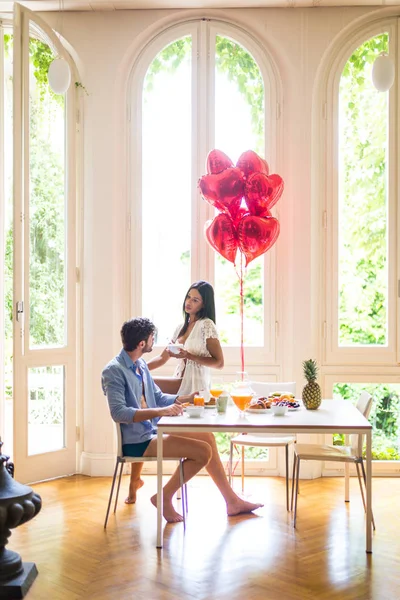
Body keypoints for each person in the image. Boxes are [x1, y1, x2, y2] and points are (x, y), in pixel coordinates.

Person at [102, 317, 263, 522]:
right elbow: (119, 413)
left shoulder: (139, 364)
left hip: (152, 430)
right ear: (142, 343)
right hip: (136, 441)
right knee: (202, 452)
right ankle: (164, 496)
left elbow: (158, 396)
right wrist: (162, 412)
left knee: (207, 437)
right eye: (152, 338)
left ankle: (232, 501)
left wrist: (188, 398)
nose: (154, 341)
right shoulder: (113, 371)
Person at [147, 280, 224, 395]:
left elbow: (219, 363)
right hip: (179, 379)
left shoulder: (206, 325)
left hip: (196, 384)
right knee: (139, 382)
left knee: (143, 383)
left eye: (195, 300)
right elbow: (162, 358)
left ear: (203, 305)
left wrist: (188, 356)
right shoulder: (180, 328)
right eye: (188, 297)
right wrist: (138, 369)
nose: (188, 302)